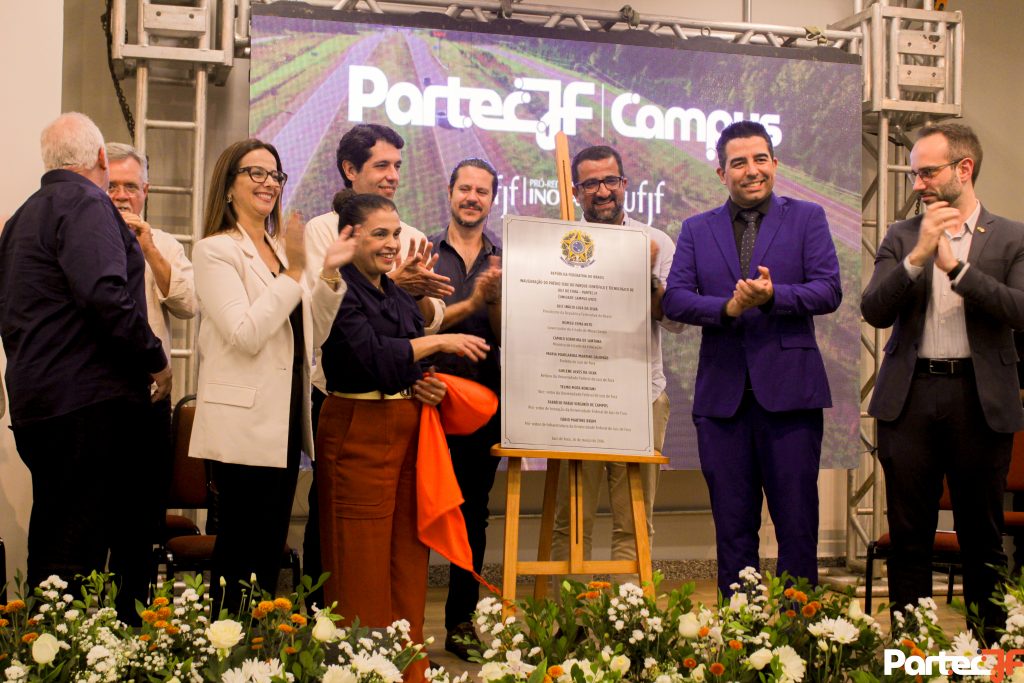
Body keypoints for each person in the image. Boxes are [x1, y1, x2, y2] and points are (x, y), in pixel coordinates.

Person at [0, 112, 171, 618]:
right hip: (90, 406)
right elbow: (104, 295)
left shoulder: (22, 217)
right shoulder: (87, 203)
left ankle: (45, 645)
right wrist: (155, 359)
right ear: (100, 158)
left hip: (37, 403)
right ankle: (74, 650)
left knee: (55, 539)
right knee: (81, 549)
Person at [316, 189, 489, 683]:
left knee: (407, 558)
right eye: (380, 234)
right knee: (360, 561)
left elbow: (406, 359)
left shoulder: (394, 293)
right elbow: (371, 356)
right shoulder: (338, 290)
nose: (392, 243)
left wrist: (424, 383)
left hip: (406, 433)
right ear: (349, 238)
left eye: (395, 233)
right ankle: (361, 671)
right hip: (357, 431)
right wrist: (438, 341)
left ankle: (406, 668)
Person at [662, 120, 842, 594]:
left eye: (760, 159)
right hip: (722, 403)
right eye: (739, 163)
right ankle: (741, 630)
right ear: (721, 173)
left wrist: (773, 296)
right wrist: (727, 308)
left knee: (797, 525)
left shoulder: (807, 218)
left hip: (791, 397)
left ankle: (799, 628)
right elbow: (675, 299)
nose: (752, 170)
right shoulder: (697, 229)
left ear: (775, 164)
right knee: (733, 528)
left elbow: (828, 290)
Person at [861, 122, 1024, 639]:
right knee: (910, 534)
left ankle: (989, 653)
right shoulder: (901, 235)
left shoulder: (1012, 236)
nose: (918, 184)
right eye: (915, 174)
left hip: (979, 400)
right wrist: (917, 259)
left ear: (964, 169)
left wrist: (957, 269)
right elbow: (873, 309)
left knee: (982, 537)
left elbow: (1020, 310)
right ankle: (911, 654)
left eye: (927, 173)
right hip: (911, 398)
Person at [188, 138, 355, 610]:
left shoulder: (283, 251)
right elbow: (245, 333)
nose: (268, 183)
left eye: (275, 175)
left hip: (284, 422)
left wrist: (328, 277)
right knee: (240, 548)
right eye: (255, 173)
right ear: (228, 186)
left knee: (267, 550)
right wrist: (295, 272)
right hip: (242, 422)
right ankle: (226, 640)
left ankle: (259, 643)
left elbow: (312, 333)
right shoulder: (215, 251)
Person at [302, 123, 452, 607]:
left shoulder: (410, 234)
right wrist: (394, 286)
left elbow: (428, 320)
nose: (393, 175)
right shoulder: (324, 230)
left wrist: (412, 295)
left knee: (400, 540)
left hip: (400, 403)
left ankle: (395, 638)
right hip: (344, 394)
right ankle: (324, 625)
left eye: (397, 166)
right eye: (382, 165)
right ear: (350, 169)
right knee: (344, 539)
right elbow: (329, 311)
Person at [549, 145, 682, 584]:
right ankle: (569, 618)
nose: (602, 191)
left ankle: (627, 619)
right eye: (591, 184)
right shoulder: (559, 245)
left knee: (634, 521)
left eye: (610, 180)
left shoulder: (656, 242)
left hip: (640, 397)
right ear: (576, 192)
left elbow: (676, 321)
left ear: (624, 184)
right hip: (577, 400)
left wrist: (646, 275)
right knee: (571, 524)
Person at [426, 158, 502, 659]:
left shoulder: (507, 260)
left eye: (482, 191)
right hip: (427, 401)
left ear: (493, 199)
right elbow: (409, 326)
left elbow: (511, 335)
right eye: (465, 189)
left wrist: (492, 302)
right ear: (450, 192)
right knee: (415, 511)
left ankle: (460, 622)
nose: (472, 198)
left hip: (485, 407)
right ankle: (404, 620)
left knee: (473, 516)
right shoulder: (423, 253)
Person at [105, 141, 196, 553]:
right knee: (92, 521)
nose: (121, 196)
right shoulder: (82, 240)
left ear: (146, 191)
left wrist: (148, 248)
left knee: (142, 525)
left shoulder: (164, 243)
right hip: (95, 396)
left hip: (150, 397)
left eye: (130, 186)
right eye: (112, 186)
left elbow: (187, 306)